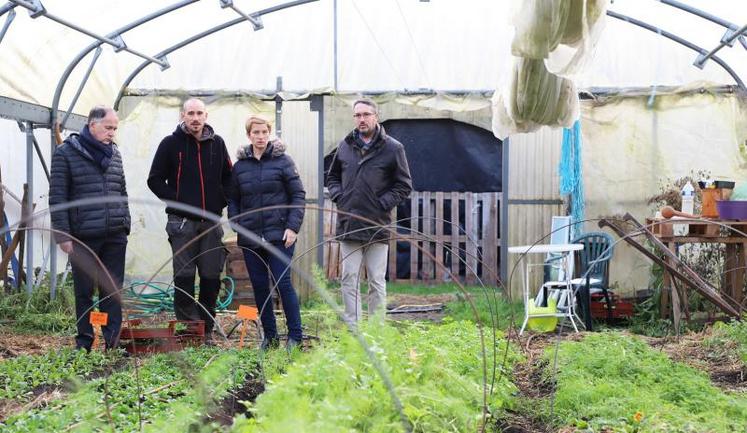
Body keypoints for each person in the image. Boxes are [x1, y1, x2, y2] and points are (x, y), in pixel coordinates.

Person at [147, 98, 232, 339]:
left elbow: (229, 176)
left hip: (211, 222)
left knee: (210, 276)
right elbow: (154, 180)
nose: (195, 118)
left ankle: (206, 326)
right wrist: (179, 202)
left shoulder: (218, 144)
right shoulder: (170, 144)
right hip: (181, 222)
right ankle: (189, 327)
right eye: (191, 113)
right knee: (183, 275)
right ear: (182, 115)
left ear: (206, 116)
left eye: (199, 113)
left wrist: (221, 201)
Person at [49, 106, 131, 351]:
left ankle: (112, 341)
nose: (112, 133)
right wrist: (63, 234)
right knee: (84, 291)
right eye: (108, 128)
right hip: (83, 237)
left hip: (115, 235)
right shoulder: (66, 153)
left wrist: (125, 222)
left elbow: (122, 191)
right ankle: (84, 341)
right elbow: (58, 197)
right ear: (92, 124)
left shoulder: (114, 153)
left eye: (115, 128)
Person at [327, 98, 412, 326]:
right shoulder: (345, 146)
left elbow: (404, 185)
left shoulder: (393, 148)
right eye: (357, 115)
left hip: (377, 225)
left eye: (366, 114)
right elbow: (332, 177)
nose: (361, 119)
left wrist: (382, 203)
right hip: (349, 223)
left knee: (376, 280)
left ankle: (376, 329)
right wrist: (339, 197)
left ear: (376, 116)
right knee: (349, 278)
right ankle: (353, 329)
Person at [228, 116, 305, 351]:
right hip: (251, 238)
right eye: (256, 132)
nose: (260, 136)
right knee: (260, 287)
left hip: (279, 237)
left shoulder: (283, 162)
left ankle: (295, 337)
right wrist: (237, 223)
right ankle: (270, 338)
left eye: (264, 132)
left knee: (283, 284)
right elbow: (233, 199)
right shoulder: (240, 167)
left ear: (269, 133)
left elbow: (298, 195)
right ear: (249, 135)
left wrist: (292, 227)